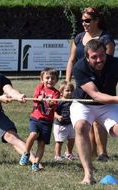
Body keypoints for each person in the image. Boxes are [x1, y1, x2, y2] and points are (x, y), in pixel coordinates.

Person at [66, 7, 115, 161]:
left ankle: (102, 153)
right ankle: (92, 153)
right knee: (85, 121)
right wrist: (67, 81)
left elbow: (106, 64)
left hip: (102, 84)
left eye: (87, 20)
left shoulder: (106, 39)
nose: (84, 23)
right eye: (82, 21)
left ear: (96, 21)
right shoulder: (79, 37)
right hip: (83, 79)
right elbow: (72, 60)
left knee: (99, 121)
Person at [71, 39, 118, 184]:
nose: (99, 60)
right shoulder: (79, 67)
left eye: (102, 55)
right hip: (84, 104)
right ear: (86, 57)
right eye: (94, 57)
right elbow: (96, 95)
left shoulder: (115, 63)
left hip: (108, 105)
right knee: (81, 126)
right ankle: (88, 175)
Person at [19, 68, 60, 171]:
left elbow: (54, 105)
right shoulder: (39, 87)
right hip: (36, 118)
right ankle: (26, 153)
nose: (50, 80)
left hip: (47, 121)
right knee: (33, 134)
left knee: (41, 144)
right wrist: (39, 98)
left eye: (53, 78)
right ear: (42, 79)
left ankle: (36, 163)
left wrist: (50, 102)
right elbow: (35, 98)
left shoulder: (56, 93)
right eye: (47, 78)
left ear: (56, 80)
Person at [53, 81, 77, 161]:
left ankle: (69, 153)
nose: (70, 92)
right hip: (60, 125)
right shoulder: (59, 101)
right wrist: (57, 116)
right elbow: (53, 111)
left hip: (70, 124)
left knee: (72, 139)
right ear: (61, 92)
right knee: (59, 141)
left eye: (72, 91)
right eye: (67, 91)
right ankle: (57, 155)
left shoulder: (73, 101)